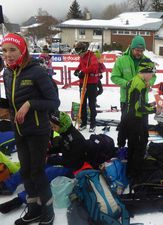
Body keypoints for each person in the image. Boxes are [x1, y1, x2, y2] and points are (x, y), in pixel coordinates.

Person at [2, 33, 60, 225]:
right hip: (19, 130)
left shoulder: (37, 72)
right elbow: (12, 101)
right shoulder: (7, 72)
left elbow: (54, 102)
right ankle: (34, 208)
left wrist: (30, 104)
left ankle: (48, 210)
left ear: (23, 50)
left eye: (12, 50)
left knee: (37, 171)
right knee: (25, 172)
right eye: (4, 50)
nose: (8, 54)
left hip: (38, 130)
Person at [118, 58, 160, 183]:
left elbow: (138, 102)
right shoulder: (140, 84)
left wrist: (151, 104)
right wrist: (155, 110)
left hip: (130, 118)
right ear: (146, 72)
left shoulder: (135, 80)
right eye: (151, 73)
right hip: (136, 120)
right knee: (139, 148)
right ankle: (135, 176)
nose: (152, 76)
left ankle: (130, 172)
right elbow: (139, 107)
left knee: (132, 146)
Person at [111, 35, 156, 126]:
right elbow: (114, 77)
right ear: (131, 48)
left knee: (142, 128)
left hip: (142, 100)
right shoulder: (121, 60)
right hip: (126, 100)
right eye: (137, 50)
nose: (139, 53)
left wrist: (150, 82)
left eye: (141, 51)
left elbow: (154, 76)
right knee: (127, 127)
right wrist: (127, 84)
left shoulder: (148, 61)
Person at [74, 42, 99, 132]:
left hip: (91, 82)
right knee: (82, 102)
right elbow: (81, 65)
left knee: (92, 104)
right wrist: (77, 70)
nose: (79, 55)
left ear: (84, 50)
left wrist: (84, 71)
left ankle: (93, 123)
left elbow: (94, 66)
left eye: (80, 53)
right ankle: (84, 122)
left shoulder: (91, 56)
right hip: (82, 82)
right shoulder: (82, 57)